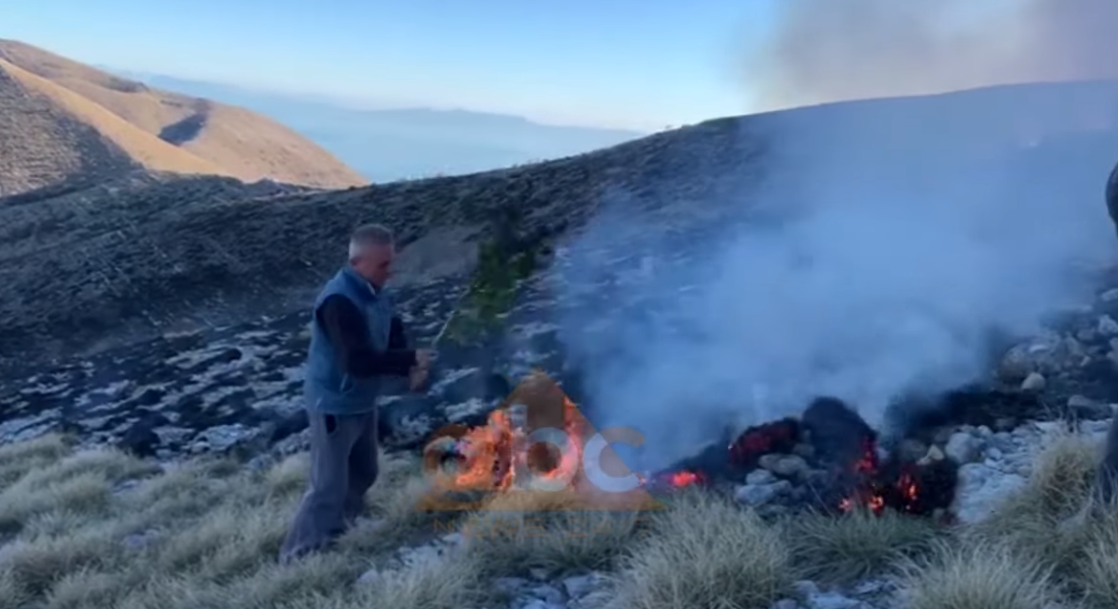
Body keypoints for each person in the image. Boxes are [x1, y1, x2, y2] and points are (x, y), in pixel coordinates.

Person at [279, 223, 435, 564]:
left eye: (390, 262)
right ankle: (297, 556)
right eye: (382, 265)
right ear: (356, 263)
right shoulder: (339, 301)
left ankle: (338, 532)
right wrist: (409, 359)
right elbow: (358, 361)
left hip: (362, 399)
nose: (389, 271)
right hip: (334, 402)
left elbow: (393, 334)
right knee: (327, 486)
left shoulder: (377, 291)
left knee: (365, 471)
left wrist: (408, 368)